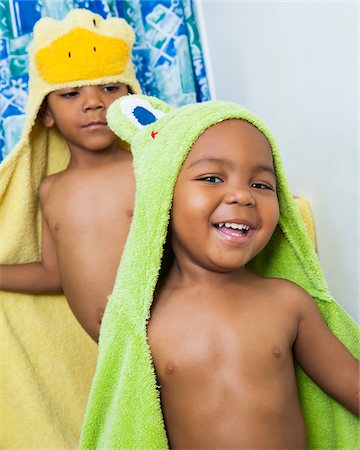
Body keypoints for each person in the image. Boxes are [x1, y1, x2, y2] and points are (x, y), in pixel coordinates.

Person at [79, 95, 359, 449]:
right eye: (212, 177)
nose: (242, 196)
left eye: (261, 184)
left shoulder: (287, 303)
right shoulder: (143, 323)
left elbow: (352, 385)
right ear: (162, 193)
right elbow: (127, 427)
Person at [0, 9, 141, 342]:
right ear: (45, 113)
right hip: (113, 359)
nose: (94, 103)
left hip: (175, 341)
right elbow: (54, 274)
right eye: (70, 93)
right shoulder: (51, 190)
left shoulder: (147, 167)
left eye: (109, 88)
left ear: (131, 97)